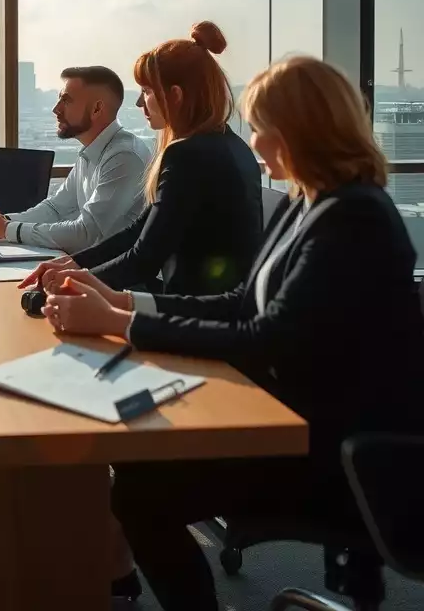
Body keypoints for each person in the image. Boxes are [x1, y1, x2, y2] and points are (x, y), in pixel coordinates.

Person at [41, 55, 424, 611]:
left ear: (301, 129)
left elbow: (267, 337)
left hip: (340, 452)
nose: (256, 141)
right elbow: (243, 302)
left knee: (143, 491)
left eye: (264, 126)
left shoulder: (354, 218)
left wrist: (123, 324)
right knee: (138, 473)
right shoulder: (310, 202)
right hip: (300, 419)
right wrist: (121, 302)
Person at [21, 21, 262, 297]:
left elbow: (143, 260)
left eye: (146, 92)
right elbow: (141, 231)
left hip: (190, 318)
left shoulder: (187, 156)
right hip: (215, 312)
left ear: (175, 96)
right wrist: (72, 264)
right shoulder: (232, 147)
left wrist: (66, 285)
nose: (139, 104)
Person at [0, 66, 149, 253]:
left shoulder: (124, 157)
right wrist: (0, 222)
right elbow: (55, 209)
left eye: (66, 100)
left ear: (97, 108)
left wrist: (5, 229)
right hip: (91, 270)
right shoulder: (91, 152)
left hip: (122, 282)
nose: (55, 109)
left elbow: (86, 234)